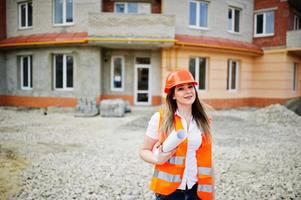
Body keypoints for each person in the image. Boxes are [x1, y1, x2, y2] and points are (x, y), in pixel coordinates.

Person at [139, 69, 214, 200]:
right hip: (169, 192)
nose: (188, 91)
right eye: (181, 89)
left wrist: (210, 190)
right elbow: (144, 151)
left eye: (190, 87)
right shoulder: (160, 118)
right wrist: (157, 159)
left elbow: (205, 157)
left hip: (197, 190)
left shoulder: (202, 120)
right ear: (173, 95)